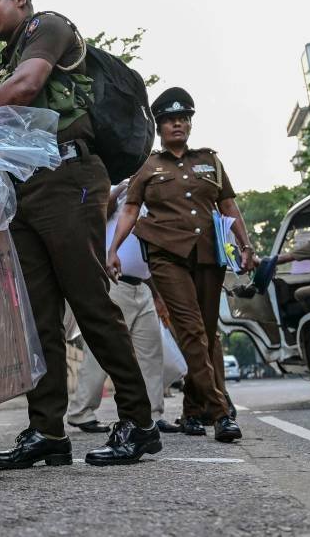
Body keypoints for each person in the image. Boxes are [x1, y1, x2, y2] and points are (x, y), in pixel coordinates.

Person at [0, 0, 160, 468]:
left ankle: (138, 422)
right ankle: (47, 430)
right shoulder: (6, 59)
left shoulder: (47, 27)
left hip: (68, 178)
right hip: (26, 188)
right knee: (37, 317)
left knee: (90, 301)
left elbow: (26, 90)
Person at [108, 87, 256, 443]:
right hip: (165, 256)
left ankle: (192, 409)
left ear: (190, 123)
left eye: (183, 118)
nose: (177, 124)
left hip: (207, 254)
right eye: (170, 120)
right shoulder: (148, 166)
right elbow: (129, 210)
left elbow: (229, 207)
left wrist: (246, 244)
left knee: (206, 334)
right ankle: (219, 413)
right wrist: (113, 249)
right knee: (190, 330)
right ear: (159, 126)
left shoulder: (210, 162)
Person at [66, 181, 181, 434]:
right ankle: (81, 412)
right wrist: (123, 189)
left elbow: (145, 255)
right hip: (113, 283)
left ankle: (152, 413)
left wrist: (158, 296)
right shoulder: (119, 192)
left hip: (142, 286)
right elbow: (99, 210)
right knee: (104, 349)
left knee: (151, 353)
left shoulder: (150, 203)